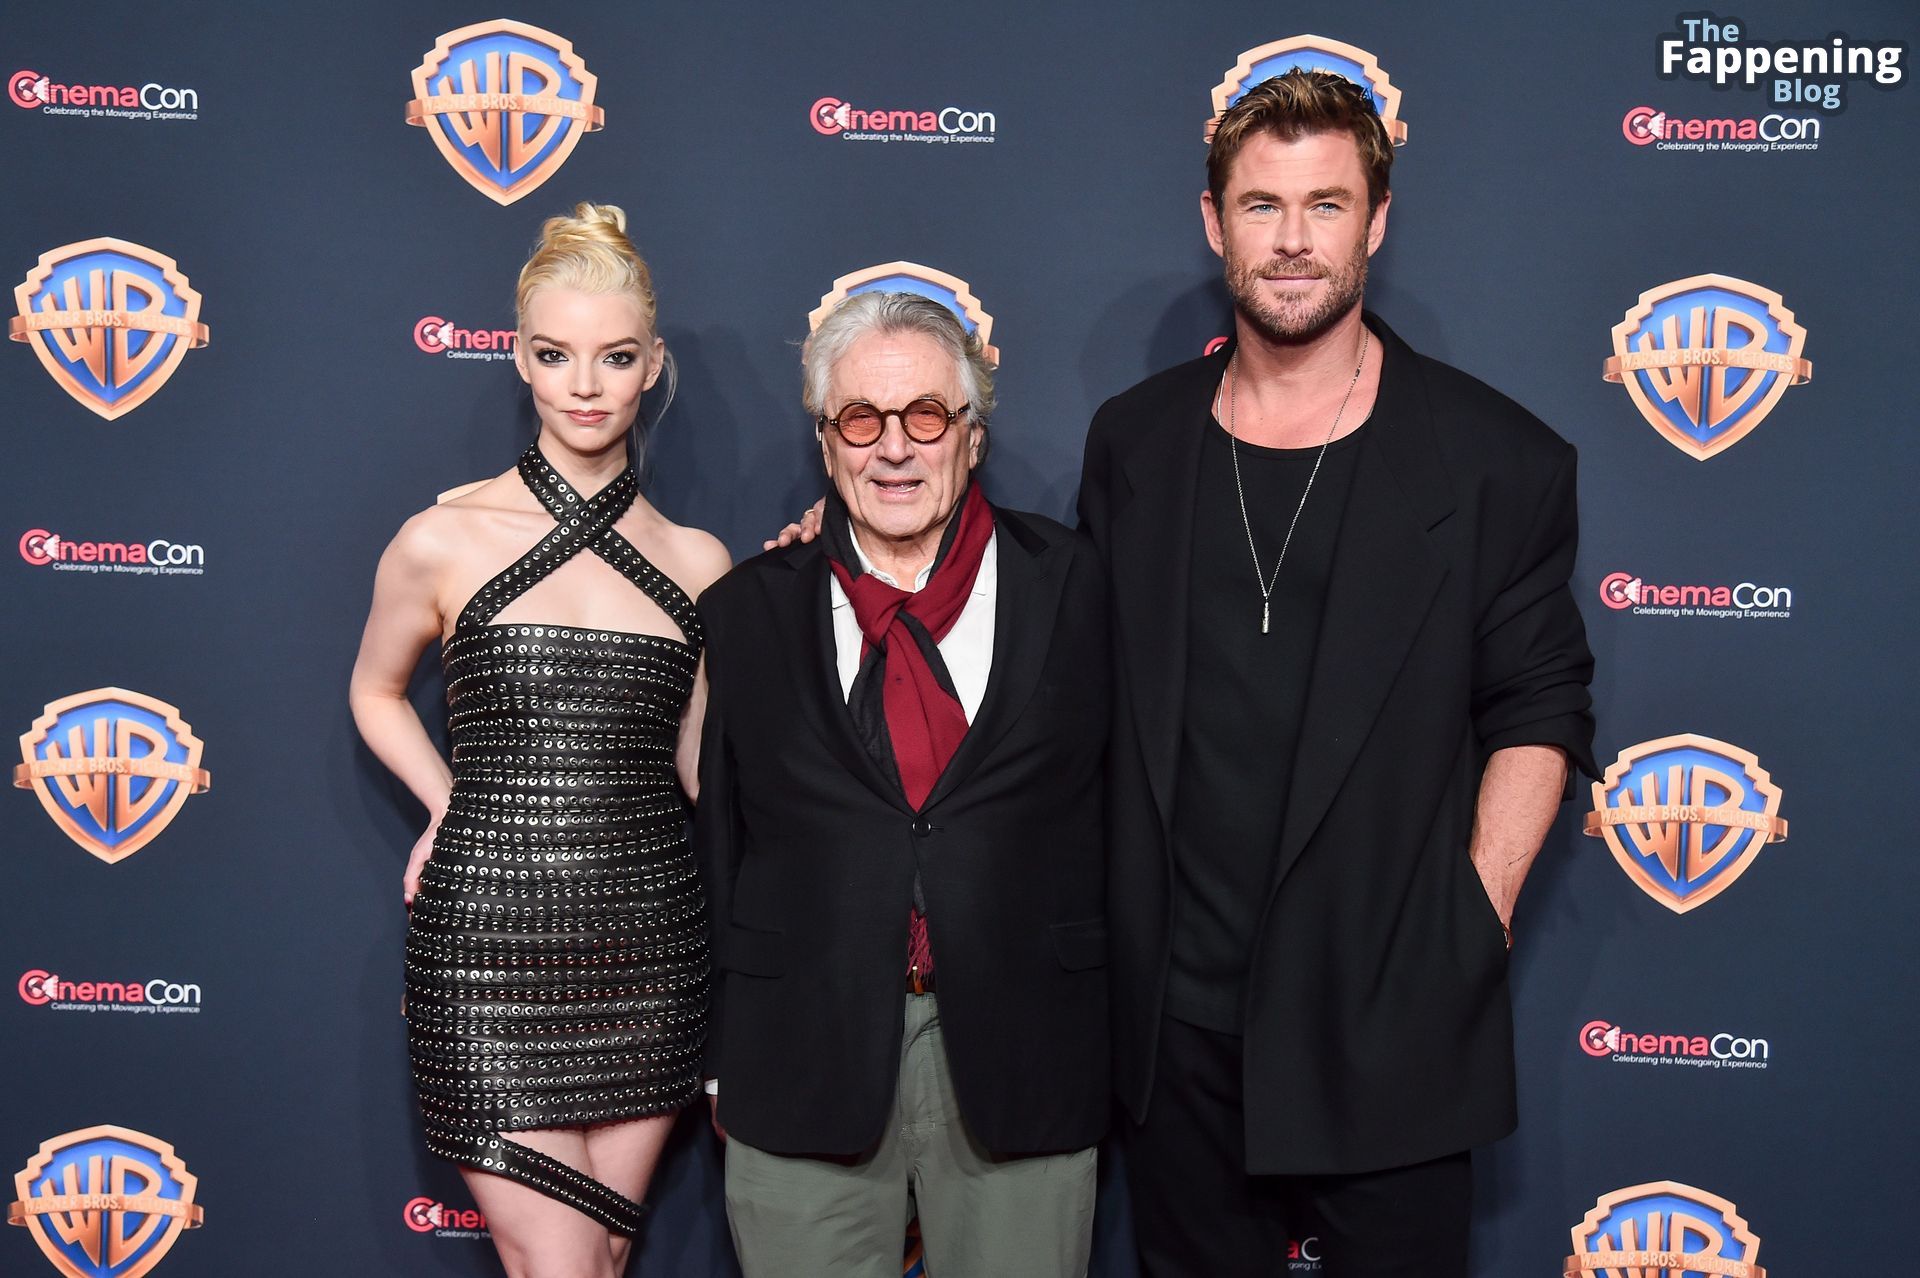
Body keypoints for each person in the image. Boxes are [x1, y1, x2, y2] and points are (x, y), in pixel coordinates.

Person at [1077, 70, 1598, 1277]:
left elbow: (1539, 703)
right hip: (1173, 1030)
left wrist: (1472, 921)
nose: (1293, 240)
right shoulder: (1135, 441)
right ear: (1214, 222)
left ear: (1377, 220)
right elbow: (1059, 654)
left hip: (1389, 1014)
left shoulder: (1494, 459)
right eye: (1262, 205)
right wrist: (854, 548)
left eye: (1327, 204)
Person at [348, 203, 730, 1278]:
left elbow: (705, 769)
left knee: (599, 1259)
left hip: (649, 947)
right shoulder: (441, 538)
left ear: (653, 364)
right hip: (489, 946)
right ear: (519, 358)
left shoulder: (701, 563)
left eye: (616, 357)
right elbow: (375, 691)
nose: (586, 385)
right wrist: (447, 803)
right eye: (556, 355)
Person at [696, 291, 1110, 1278]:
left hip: (1027, 1049)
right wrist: (721, 1056)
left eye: (926, 415)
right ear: (825, 440)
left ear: (972, 434)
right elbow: (722, 843)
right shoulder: (746, 610)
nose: (894, 448)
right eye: (860, 419)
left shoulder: (1079, 585)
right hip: (801, 1049)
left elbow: (1127, 812)